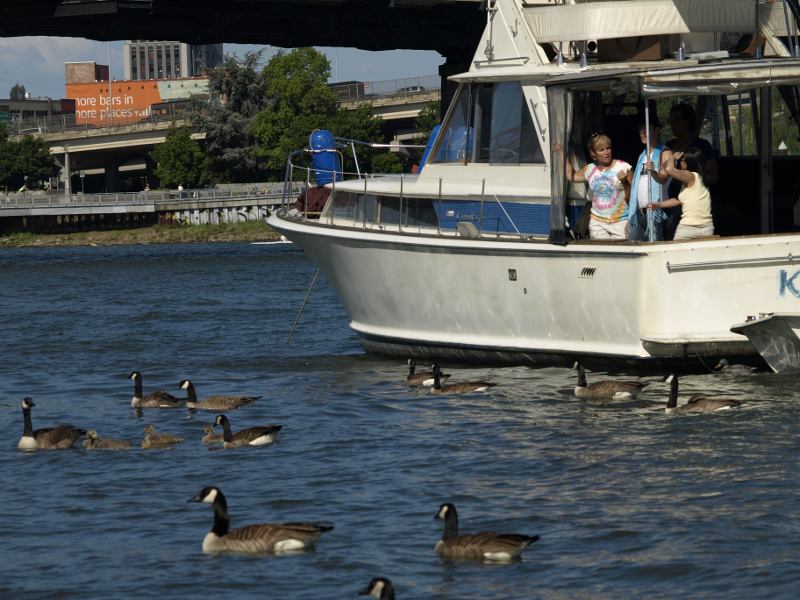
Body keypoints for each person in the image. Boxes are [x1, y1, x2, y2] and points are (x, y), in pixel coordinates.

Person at [552, 133, 631, 240]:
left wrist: (625, 182)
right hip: (597, 223)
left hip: (621, 222)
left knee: (621, 254)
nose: (606, 152)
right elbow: (572, 176)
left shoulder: (623, 167)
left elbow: (633, 197)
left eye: (608, 148)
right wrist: (562, 153)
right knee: (599, 255)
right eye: (601, 150)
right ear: (593, 153)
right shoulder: (590, 169)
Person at [664, 103, 718, 239]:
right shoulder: (668, 146)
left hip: (692, 212)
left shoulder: (702, 146)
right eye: (670, 120)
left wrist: (688, 179)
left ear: (687, 121)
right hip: (668, 206)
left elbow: (713, 176)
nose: (672, 124)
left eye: (676, 120)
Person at [647, 146, 713, 240]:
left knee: (675, 253)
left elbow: (669, 169)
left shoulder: (690, 175)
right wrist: (659, 204)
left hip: (688, 227)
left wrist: (672, 157)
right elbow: (679, 200)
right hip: (706, 227)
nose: (680, 163)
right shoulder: (700, 179)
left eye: (682, 160)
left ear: (689, 162)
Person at [625, 113, 673, 241]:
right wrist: (631, 217)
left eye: (646, 128)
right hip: (640, 214)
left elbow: (663, 178)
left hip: (657, 214)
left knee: (655, 253)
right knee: (633, 251)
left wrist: (653, 172)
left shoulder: (665, 152)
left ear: (657, 130)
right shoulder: (642, 155)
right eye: (641, 128)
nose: (642, 132)